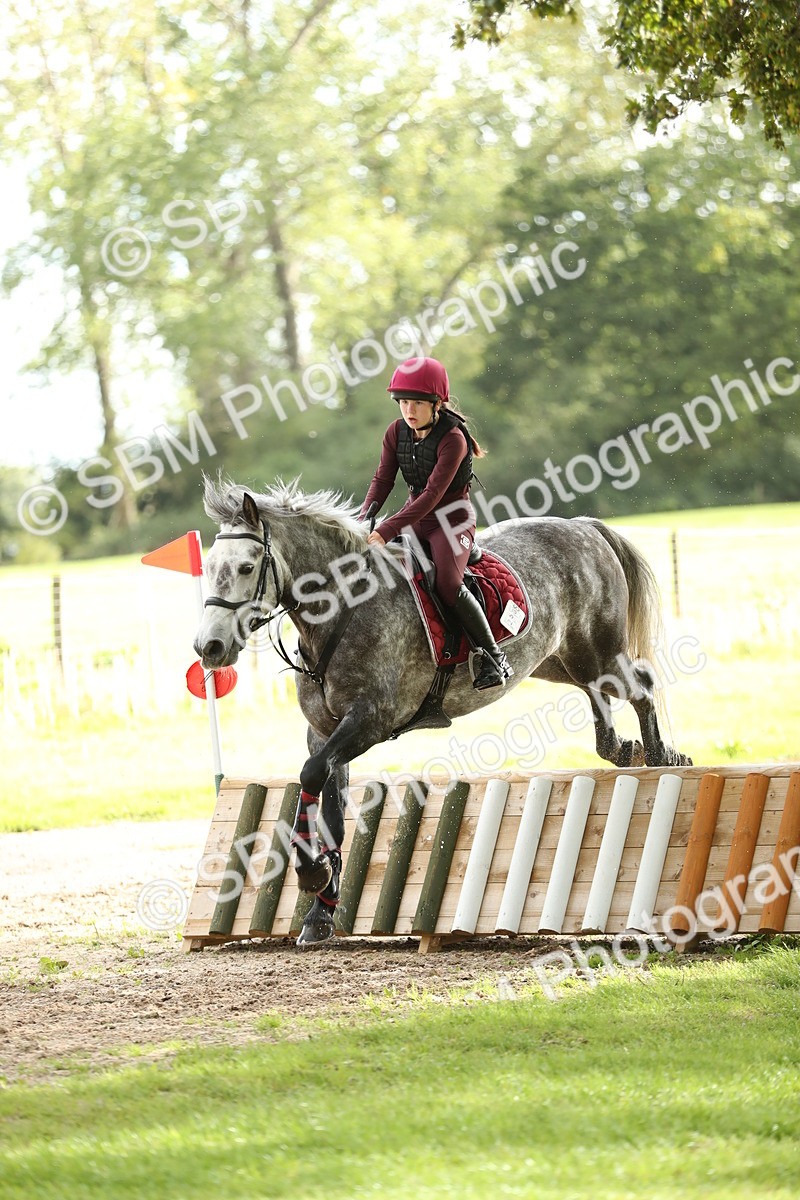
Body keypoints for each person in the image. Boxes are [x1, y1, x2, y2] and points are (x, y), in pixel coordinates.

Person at [360, 356, 513, 690]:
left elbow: (431, 496)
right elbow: (383, 480)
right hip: (415, 515)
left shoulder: (453, 439)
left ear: (437, 403)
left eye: (417, 403)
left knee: (446, 584)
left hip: (452, 520)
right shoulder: (395, 432)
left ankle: (492, 657)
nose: (408, 410)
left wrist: (386, 530)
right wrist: (363, 522)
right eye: (403, 402)